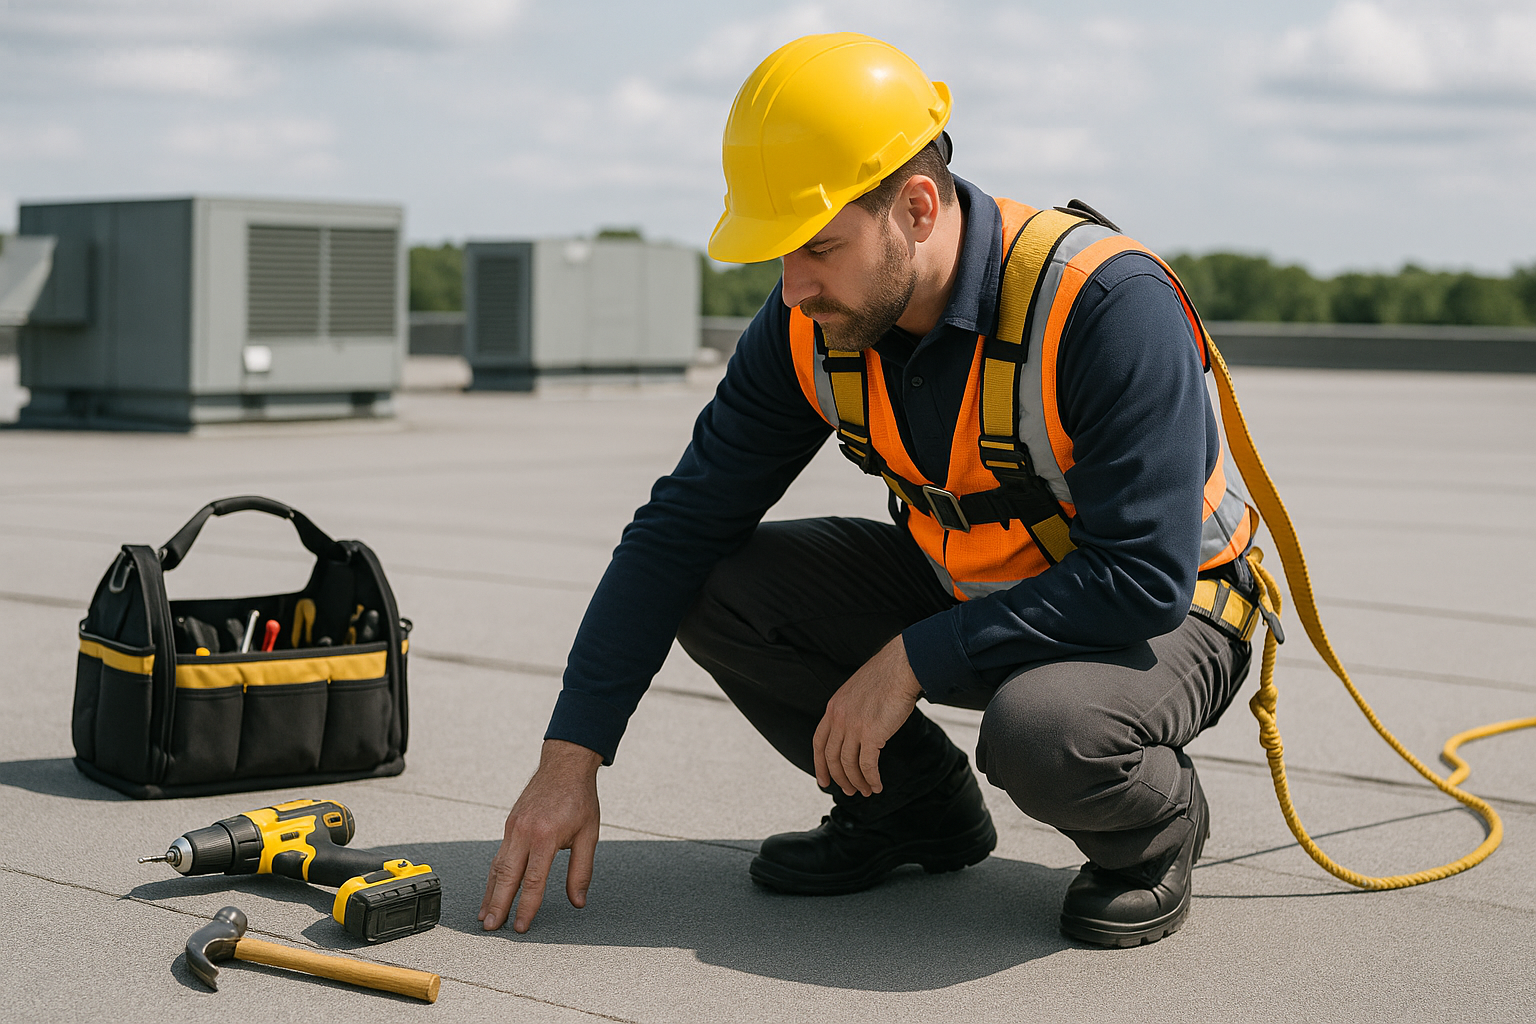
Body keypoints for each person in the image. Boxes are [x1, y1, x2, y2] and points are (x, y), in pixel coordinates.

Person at [479, 32, 1260, 948]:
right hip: (965, 582)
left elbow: (1139, 578)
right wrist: (571, 756)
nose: (794, 287)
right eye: (777, 254)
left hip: (1160, 611)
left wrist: (914, 661)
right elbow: (677, 528)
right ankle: (914, 812)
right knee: (714, 578)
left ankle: (1154, 831)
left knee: (1044, 731)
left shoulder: (1104, 303)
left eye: (819, 246)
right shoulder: (809, 322)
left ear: (918, 208)